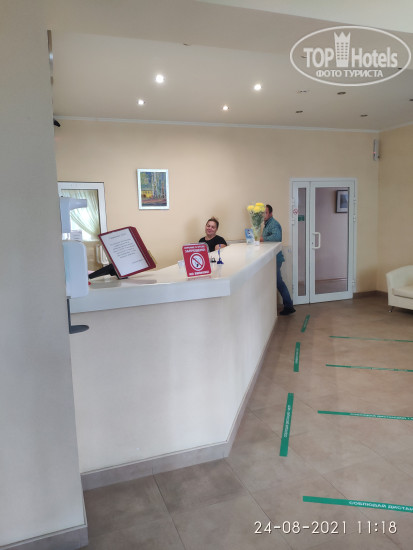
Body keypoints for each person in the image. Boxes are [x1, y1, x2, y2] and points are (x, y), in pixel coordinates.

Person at [261, 204, 295, 315]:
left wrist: (263, 239)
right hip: (272, 259)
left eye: (265, 212)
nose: (263, 215)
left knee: (279, 283)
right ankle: (288, 305)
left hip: (275, 259)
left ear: (271, 213)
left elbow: (277, 237)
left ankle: (289, 306)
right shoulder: (267, 224)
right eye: (262, 213)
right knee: (278, 282)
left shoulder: (274, 224)